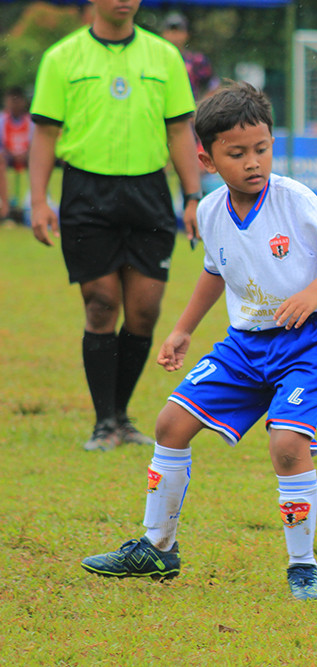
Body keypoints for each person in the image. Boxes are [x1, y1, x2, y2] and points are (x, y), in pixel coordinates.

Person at [80, 81, 317, 601]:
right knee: (170, 423)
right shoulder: (210, 212)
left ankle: (303, 567)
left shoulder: (294, 199)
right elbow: (216, 271)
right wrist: (183, 328)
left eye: (262, 148)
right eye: (237, 153)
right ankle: (157, 547)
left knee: (287, 445)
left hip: (309, 341)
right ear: (207, 160)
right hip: (245, 345)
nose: (254, 162)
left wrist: (313, 291)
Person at [29, 0, 202, 452]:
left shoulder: (165, 56)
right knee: (102, 304)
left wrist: (192, 196)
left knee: (144, 311)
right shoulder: (61, 58)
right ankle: (104, 421)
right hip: (86, 192)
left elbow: (180, 130)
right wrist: (38, 201)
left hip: (149, 192)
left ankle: (120, 417)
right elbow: (44, 134)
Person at [161, 12, 217, 101]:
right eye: (171, 31)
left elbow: (214, 87)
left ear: (186, 34)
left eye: (179, 31)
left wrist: (201, 106)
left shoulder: (197, 61)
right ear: (163, 34)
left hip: (190, 107)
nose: (175, 36)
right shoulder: (156, 60)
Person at [0, 86, 32, 222]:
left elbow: (36, 144)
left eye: (17, 101)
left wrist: (25, 154)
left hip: (27, 157)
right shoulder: (2, 120)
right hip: (7, 157)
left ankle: (34, 203)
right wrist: (10, 153)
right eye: (11, 101)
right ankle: (5, 207)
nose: (14, 105)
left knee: (39, 161)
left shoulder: (31, 121)